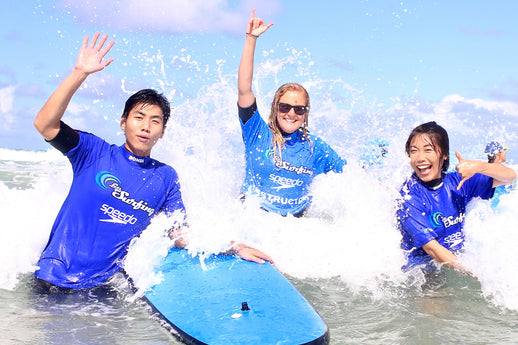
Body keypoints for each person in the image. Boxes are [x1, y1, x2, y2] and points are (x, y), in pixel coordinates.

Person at [33, 32, 271, 292]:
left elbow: (178, 233)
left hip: (103, 291)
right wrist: (80, 73)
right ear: (124, 122)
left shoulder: (165, 177)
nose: (146, 127)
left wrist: (232, 247)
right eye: (139, 117)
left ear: (163, 131)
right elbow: (44, 124)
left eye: (155, 121)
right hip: (52, 282)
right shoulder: (93, 152)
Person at [237, 10, 346, 217]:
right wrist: (251, 39)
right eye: (285, 107)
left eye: (299, 109)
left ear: (306, 113)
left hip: (293, 228)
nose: (291, 113)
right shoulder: (257, 133)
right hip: (252, 218)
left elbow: (352, 177)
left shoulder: (316, 147)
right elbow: (244, 89)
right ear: (275, 108)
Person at [396, 122, 516, 274]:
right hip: (421, 275)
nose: (420, 158)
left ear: (444, 155)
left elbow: (510, 177)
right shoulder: (408, 196)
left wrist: (478, 166)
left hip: (454, 262)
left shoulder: (458, 182)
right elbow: (432, 249)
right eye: (414, 151)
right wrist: (478, 273)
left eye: (428, 150)